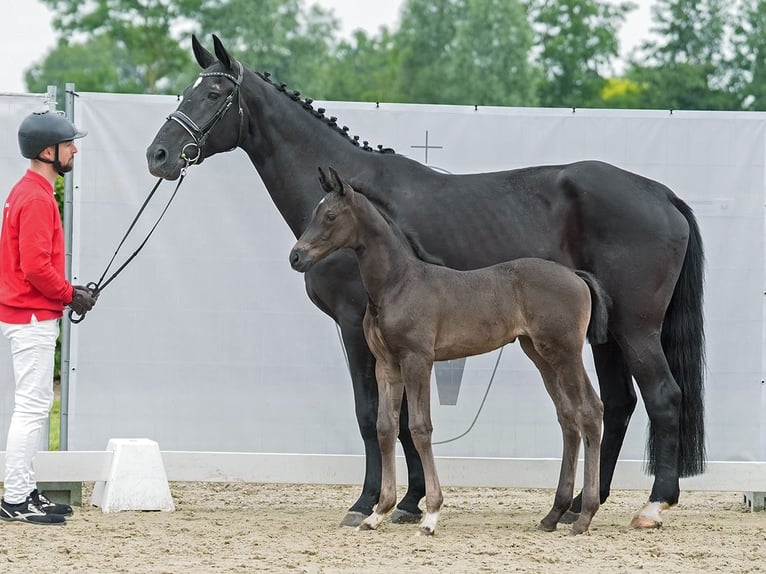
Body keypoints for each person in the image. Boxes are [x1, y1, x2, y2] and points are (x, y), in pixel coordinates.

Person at [0, 110, 98, 525]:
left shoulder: (24, 191)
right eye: (68, 144)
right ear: (47, 151)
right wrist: (70, 295)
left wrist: (67, 293)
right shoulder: (38, 197)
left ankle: (24, 490)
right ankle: (16, 498)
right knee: (31, 408)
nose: (75, 149)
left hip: (27, 312)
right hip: (32, 316)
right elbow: (37, 266)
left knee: (34, 407)